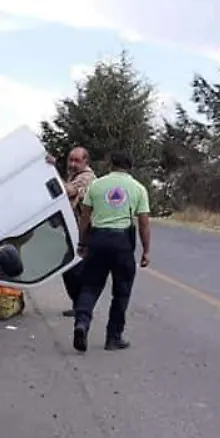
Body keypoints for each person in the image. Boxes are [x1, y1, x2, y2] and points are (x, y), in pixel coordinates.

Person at [72, 151, 150, 352]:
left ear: (110, 165)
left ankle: (81, 323)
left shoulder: (96, 186)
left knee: (90, 286)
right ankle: (113, 337)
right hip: (122, 242)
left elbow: (85, 218)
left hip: (97, 240)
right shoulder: (138, 189)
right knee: (121, 292)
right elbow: (143, 223)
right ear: (130, 167)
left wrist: (82, 242)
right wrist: (146, 251)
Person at [58, 147, 97, 317]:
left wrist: (49, 171)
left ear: (86, 162)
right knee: (69, 269)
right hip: (74, 231)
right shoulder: (74, 176)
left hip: (86, 232)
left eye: (77, 161)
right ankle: (78, 305)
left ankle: (82, 308)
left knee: (76, 269)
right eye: (71, 160)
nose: (72, 164)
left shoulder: (87, 177)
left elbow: (67, 191)